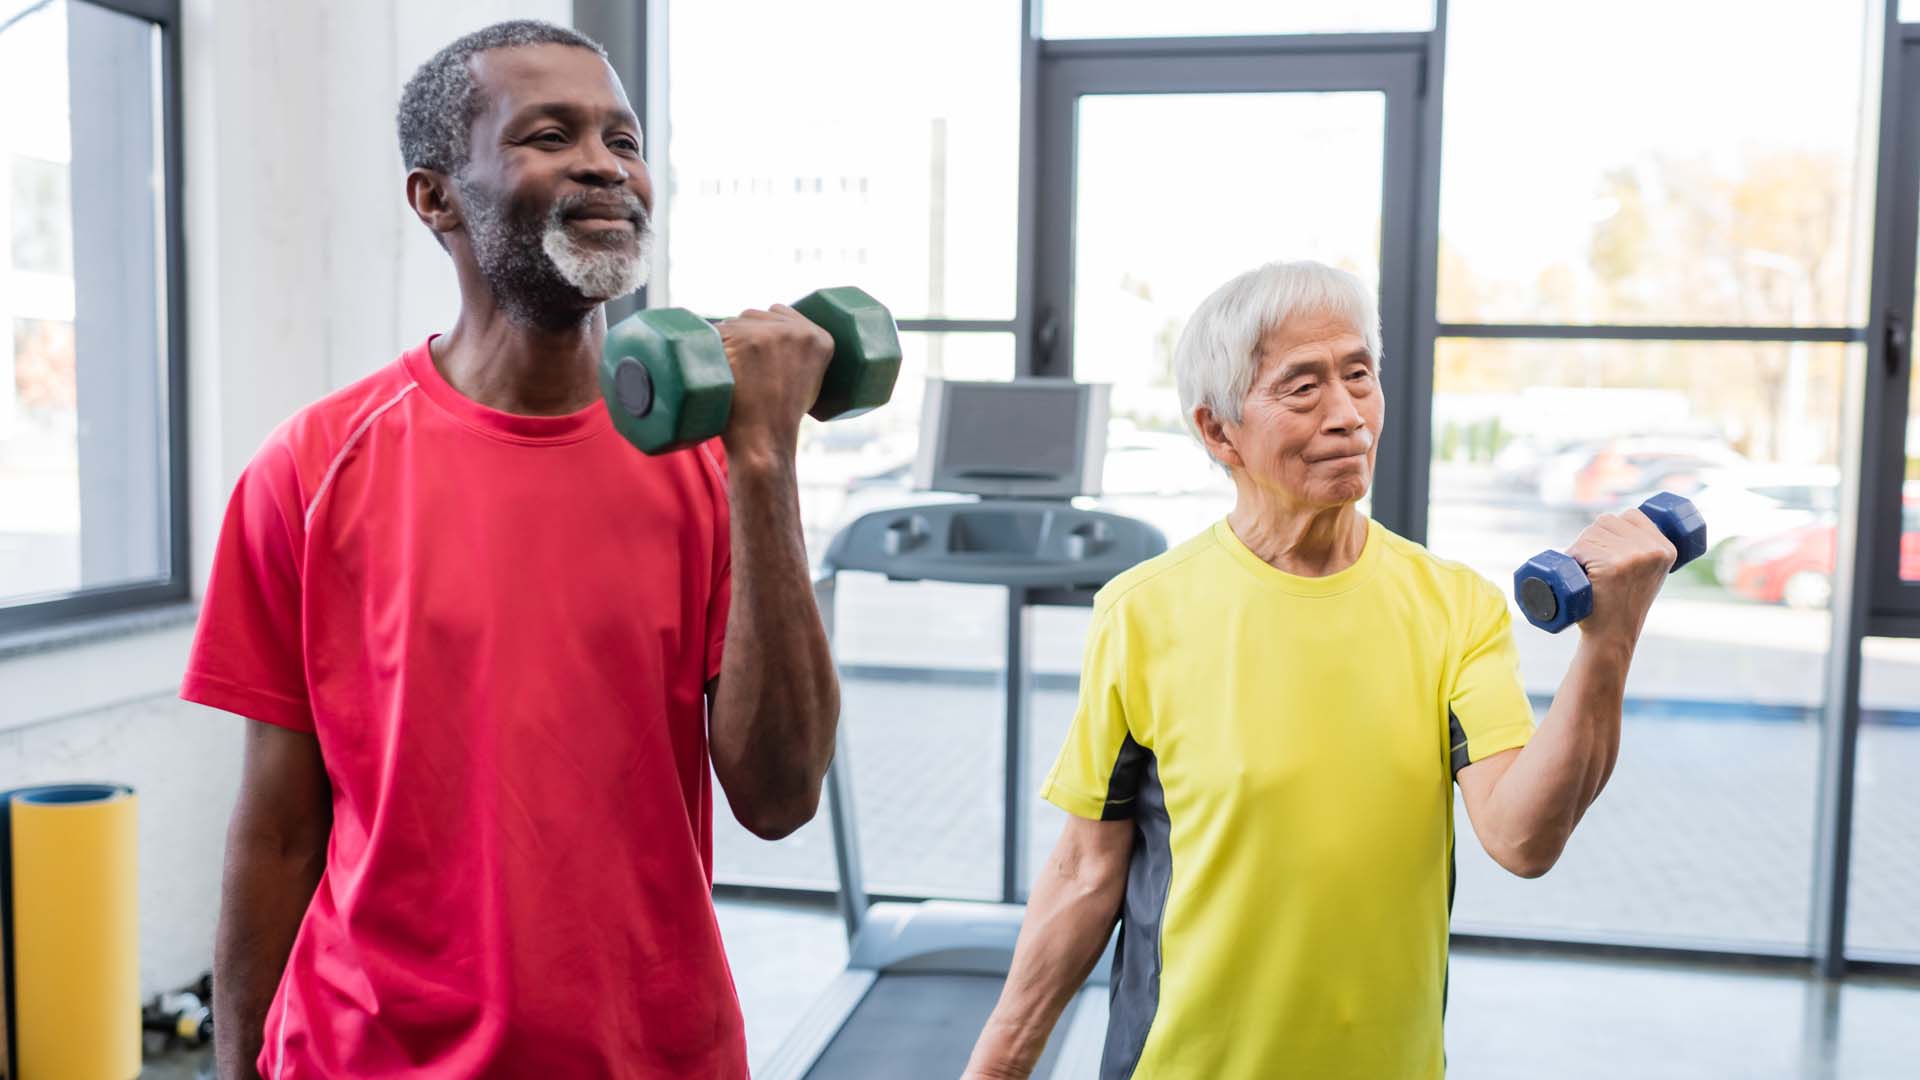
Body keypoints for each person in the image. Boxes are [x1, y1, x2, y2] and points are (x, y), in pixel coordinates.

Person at [184, 21, 839, 1078]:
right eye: (552, 133)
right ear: (435, 196)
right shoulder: (309, 469)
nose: (604, 163)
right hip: (363, 1055)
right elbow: (274, 830)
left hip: (650, 1055)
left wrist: (764, 464)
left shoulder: (712, 472)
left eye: (623, 140)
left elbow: (779, 796)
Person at [962, 261, 1678, 1079]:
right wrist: (996, 1066)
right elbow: (1087, 868)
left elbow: (1522, 838)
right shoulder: (1143, 612)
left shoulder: (1455, 606)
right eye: (1302, 388)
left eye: (1359, 376)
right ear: (1219, 432)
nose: (1348, 415)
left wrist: (1608, 643)